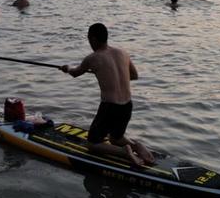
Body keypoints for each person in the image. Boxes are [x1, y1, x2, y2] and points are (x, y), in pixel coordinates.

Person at [60, 23, 154, 167]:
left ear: (94, 39)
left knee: (92, 143)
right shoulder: (122, 53)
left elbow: (76, 73)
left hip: (110, 107)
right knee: (115, 137)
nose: (89, 42)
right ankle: (137, 146)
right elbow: (134, 76)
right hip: (127, 105)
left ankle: (125, 151)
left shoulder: (92, 58)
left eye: (89, 39)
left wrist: (67, 69)